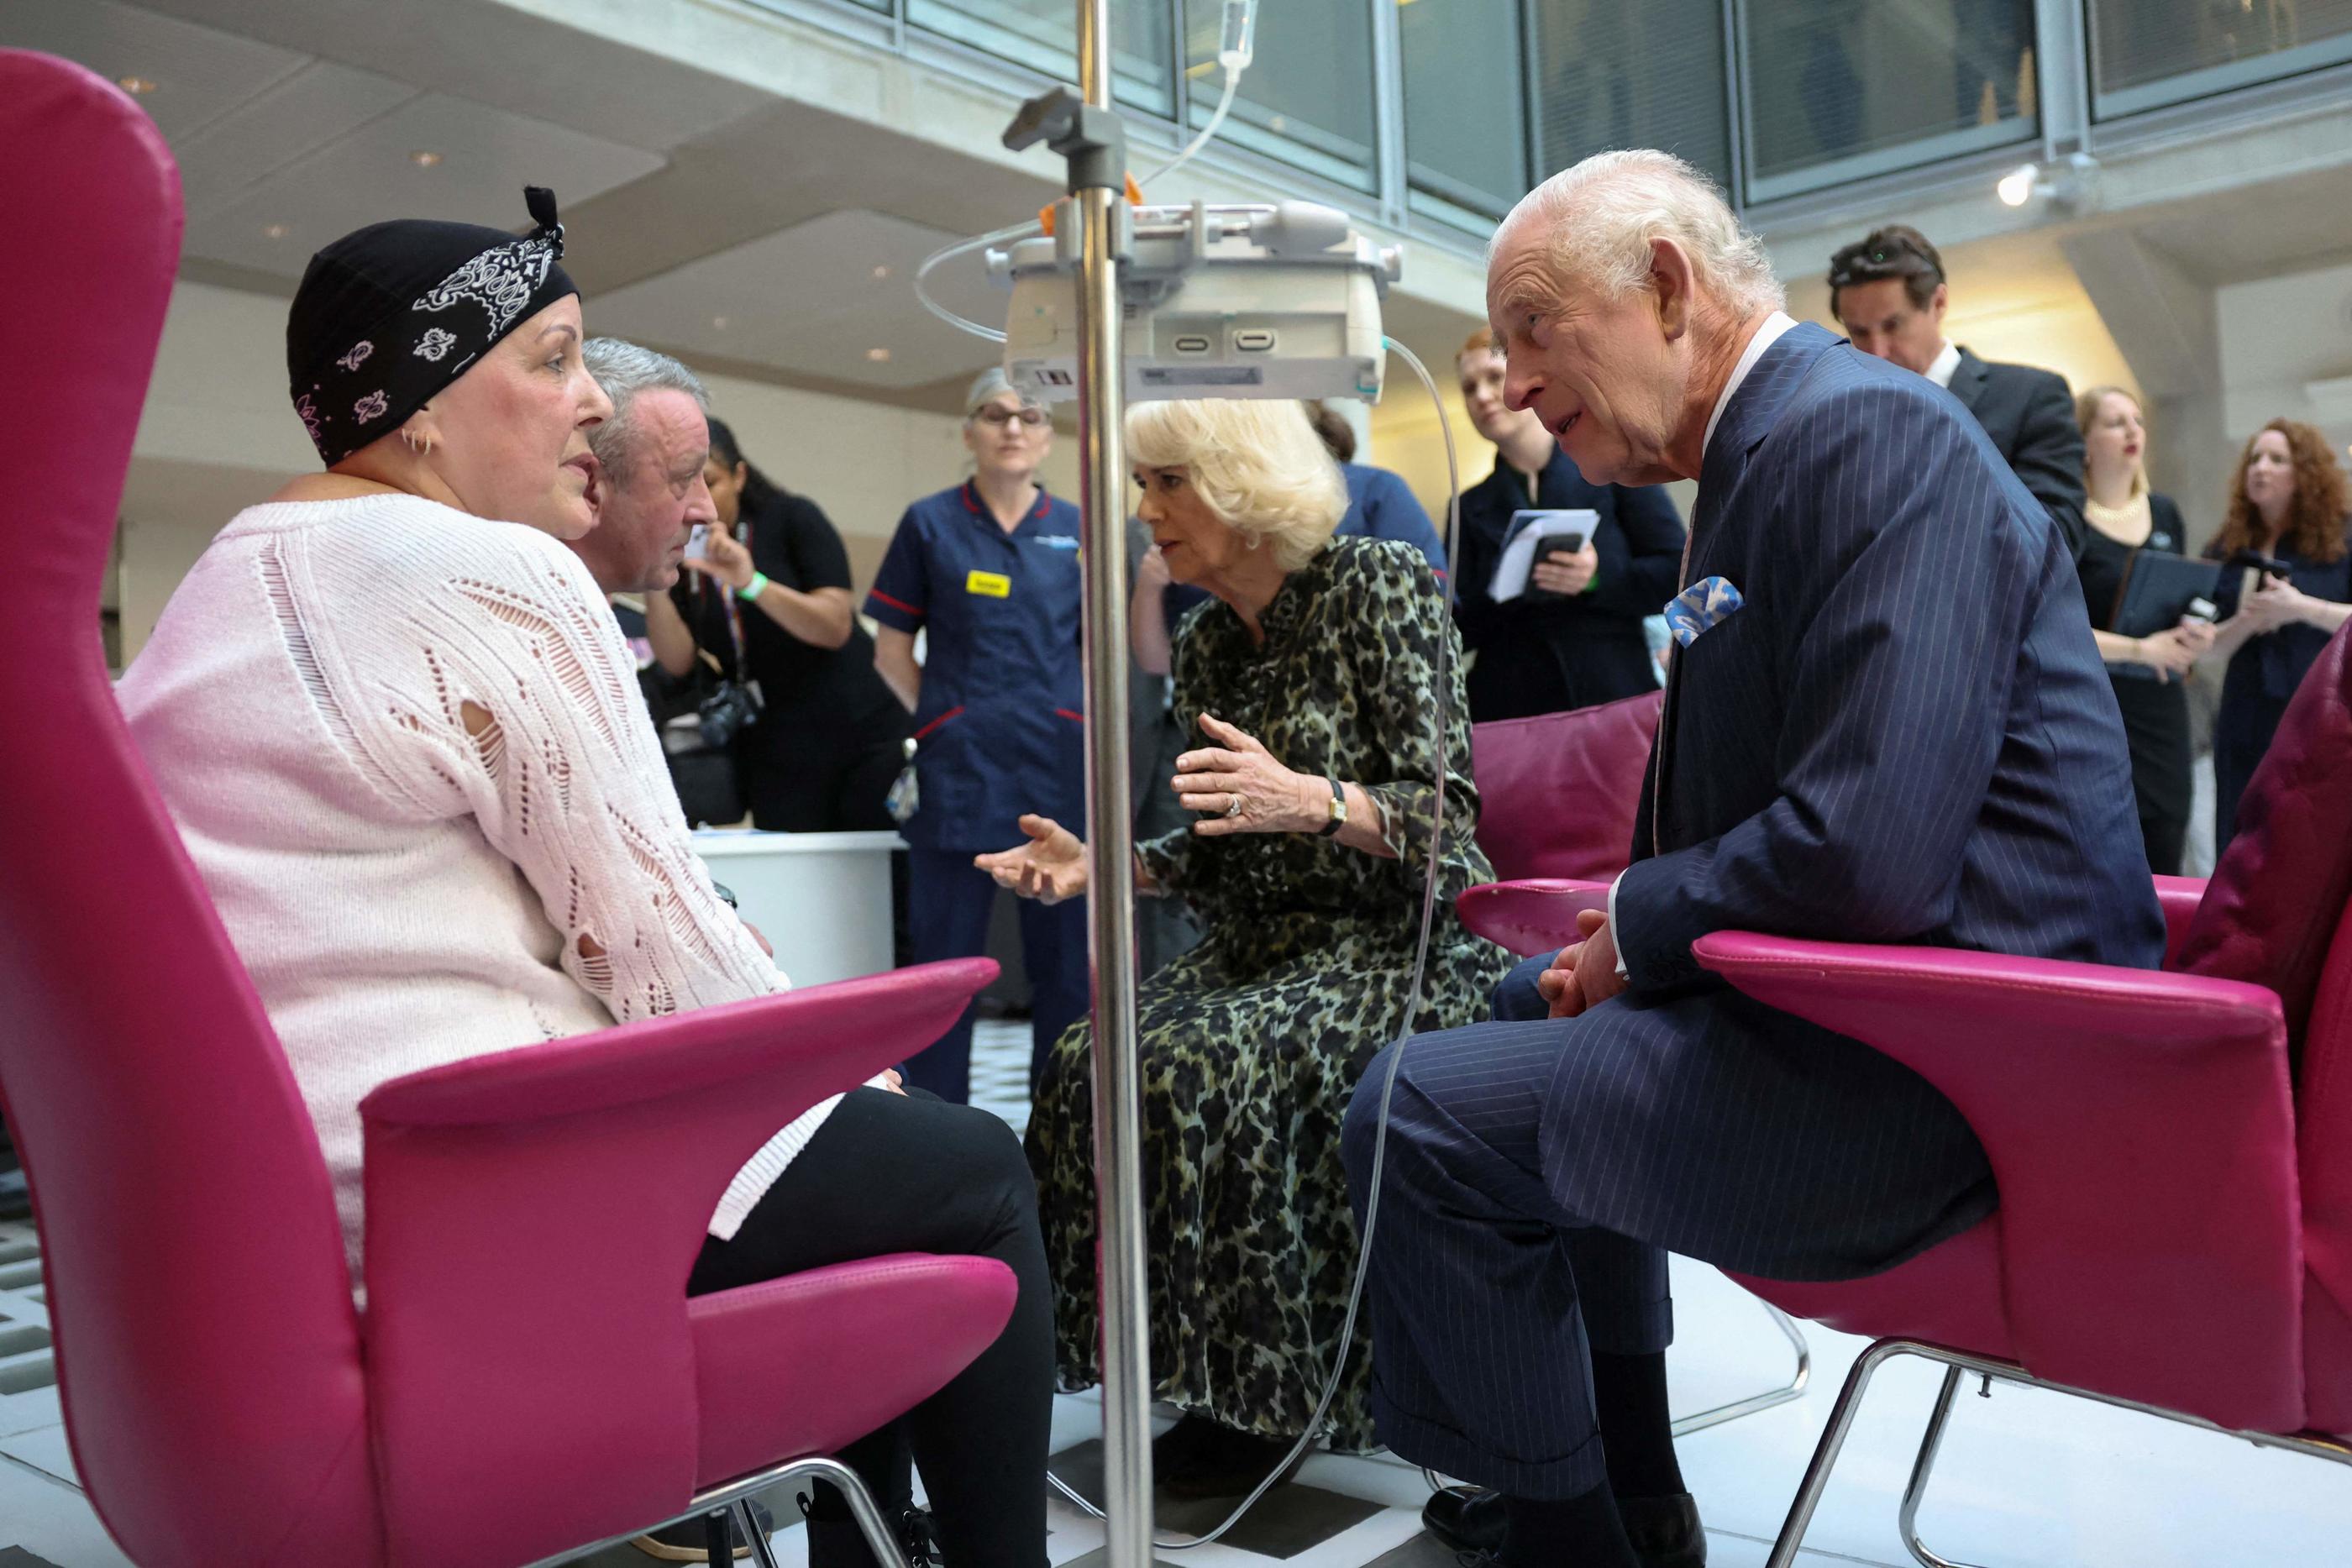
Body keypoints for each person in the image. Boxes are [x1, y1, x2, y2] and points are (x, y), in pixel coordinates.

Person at [113, 193, 1050, 1568]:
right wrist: (847, 1076)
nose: (589, 401)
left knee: (863, 1156)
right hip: (481, 1219)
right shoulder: (479, 569)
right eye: (552, 359)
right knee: (966, 1164)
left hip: (276, 1241)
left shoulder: (218, 584)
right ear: (423, 402)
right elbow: (663, 951)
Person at [1346, 151, 2163, 1568]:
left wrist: (1641, 924)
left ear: (1665, 286)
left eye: (1536, 327)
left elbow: (1865, 850)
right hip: (1884, 1002)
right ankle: (1630, 1477)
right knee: (1512, 1008)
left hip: (1951, 1065)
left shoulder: (1861, 439)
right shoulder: (1771, 455)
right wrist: (1620, 939)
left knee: (1416, 1112)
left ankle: (1573, 1534)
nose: (1518, 381)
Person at [981, 399, 1513, 1500]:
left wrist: (1314, 798)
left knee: (1202, 1062)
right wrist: (1108, 862)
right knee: (1091, 1056)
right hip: (1263, 946)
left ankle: (1270, 1396)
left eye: (1167, 482)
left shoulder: (1382, 584)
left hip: (1393, 944)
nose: (1145, 511)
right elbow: (1227, 841)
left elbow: (1452, 830)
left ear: (1238, 484)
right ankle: (1181, 1366)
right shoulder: (1205, 637)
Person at [864, 370, 1088, 1102]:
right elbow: (890, 646)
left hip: (1058, 766)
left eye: (1029, 416)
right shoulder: (930, 522)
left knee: (1064, 969)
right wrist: (939, 716)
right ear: (969, 432)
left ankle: (1063, 1139)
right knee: (946, 966)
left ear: (1049, 436)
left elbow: (1097, 650)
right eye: (995, 415)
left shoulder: (1079, 527)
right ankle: (937, 1136)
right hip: (958, 769)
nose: (1013, 428)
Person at [640, 415, 911, 834]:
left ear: (740, 476)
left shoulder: (789, 519)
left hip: (858, 726)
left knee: (869, 866)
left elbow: (835, 626)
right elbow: (678, 662)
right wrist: (653, 578)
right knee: (789, 863)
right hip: (774, 734)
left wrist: (751, 583)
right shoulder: (679, 550)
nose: (696, 502)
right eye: (678, 487)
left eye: (709, 482)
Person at [1449, 327, 1688, 721]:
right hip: (1509, 705)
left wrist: (1597, 577)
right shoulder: (1467, 506)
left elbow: (1677, 571)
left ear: (1526, 380)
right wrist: (1506, 585)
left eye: (1494, 378)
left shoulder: (1613, 465)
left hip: (1612, 694)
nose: (1483, 396)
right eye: (1469, 388)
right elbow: (1457, 625)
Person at [1130, 398, 1446, 680]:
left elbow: (1434, 744)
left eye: (1170, 480)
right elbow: (1156, 662)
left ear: (1245, 480)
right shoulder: (1197, 639)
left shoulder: (1376, 579)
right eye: (1143, 484)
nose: (1145, 511)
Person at [1827, 223, 2087, 555]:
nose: (1878, 350)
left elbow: (2056, 536)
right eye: (1859, 333)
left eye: (1893, 326)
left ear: (1938, 302)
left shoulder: (2030, 396)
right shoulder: (1842, 420)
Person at [2071, 385, 2213, 875]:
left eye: (2137, 419)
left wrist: (2195, 633)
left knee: (2167, 851)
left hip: (2162, 707)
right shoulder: (2070, 523)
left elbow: (2179, 606)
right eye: (2115, 422)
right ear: (2084, 442)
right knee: (2109, 858)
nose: (2133, 431)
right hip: (2100, 710)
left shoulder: (2166, 512)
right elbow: (2055, 629)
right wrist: (2139, 648)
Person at [2198, 418, 2352, 852]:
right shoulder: (2227, 547)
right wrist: (2248, 619)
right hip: (2244, 715)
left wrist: (2300, 608)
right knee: (2239, 841)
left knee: (2312, 844)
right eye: (2255, 459)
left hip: (2320, 713)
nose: (2260, 468)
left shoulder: (2342, 538)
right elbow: (2206, 649)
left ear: (2305, 473)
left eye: (2277, 459)